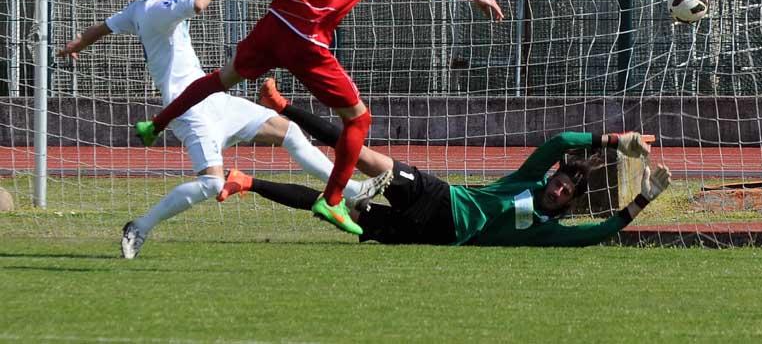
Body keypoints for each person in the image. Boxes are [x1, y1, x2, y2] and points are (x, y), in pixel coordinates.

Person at [134, 0, 504, 235]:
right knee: (358, 119)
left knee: (220, 79)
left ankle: (157, 123)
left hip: (274, 24)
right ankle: (332, 200)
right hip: (308, 41)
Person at [57, 0, 391, 259]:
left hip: (214, 100)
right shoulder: (160, 9)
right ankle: (139, 226)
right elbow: (200, 4)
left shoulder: (138, 9)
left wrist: (76, 45)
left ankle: (350, 191)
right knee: (212, 183)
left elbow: (100, 28)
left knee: (287, 132)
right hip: (189, 111)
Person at [215, 78, 672, 247]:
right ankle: (283, 104)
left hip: (431, 235)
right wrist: (615, 140)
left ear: (567, 203)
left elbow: (597, 234)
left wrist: (642, 201)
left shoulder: (546, 232)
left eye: (565, 194)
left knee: (338, 211)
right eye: (559, 184)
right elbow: (558, 141)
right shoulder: (530, 179)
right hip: (440, 197)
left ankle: (246, 181)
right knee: (368, 158)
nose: (557, 191)